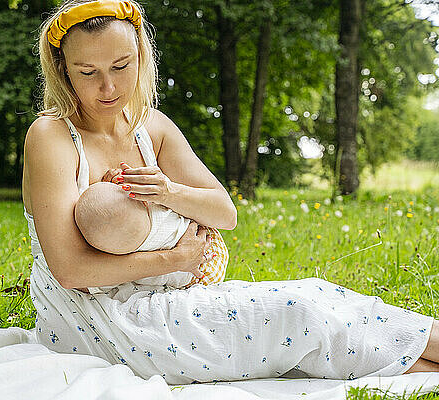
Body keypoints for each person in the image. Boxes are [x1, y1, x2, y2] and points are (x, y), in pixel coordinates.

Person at [22, 0, 439, 384]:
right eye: (88, 72)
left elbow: (225, 213)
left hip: (169, 299)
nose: (108, 87)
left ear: (141, 59)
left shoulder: (153, 127)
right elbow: (70, 270)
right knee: (298, 314)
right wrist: (174, 259)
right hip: (97, 322)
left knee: (317, 296)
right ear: (63, 70)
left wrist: (167, 191)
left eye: (121, 66)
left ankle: (425, 364)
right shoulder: (51, 136)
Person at [73, 180, 229, 298]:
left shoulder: (119, 255)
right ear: (142, 202)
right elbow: (190, 214)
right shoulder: (159, 214)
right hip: (206, 254)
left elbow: (95, 285)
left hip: (189, 280)